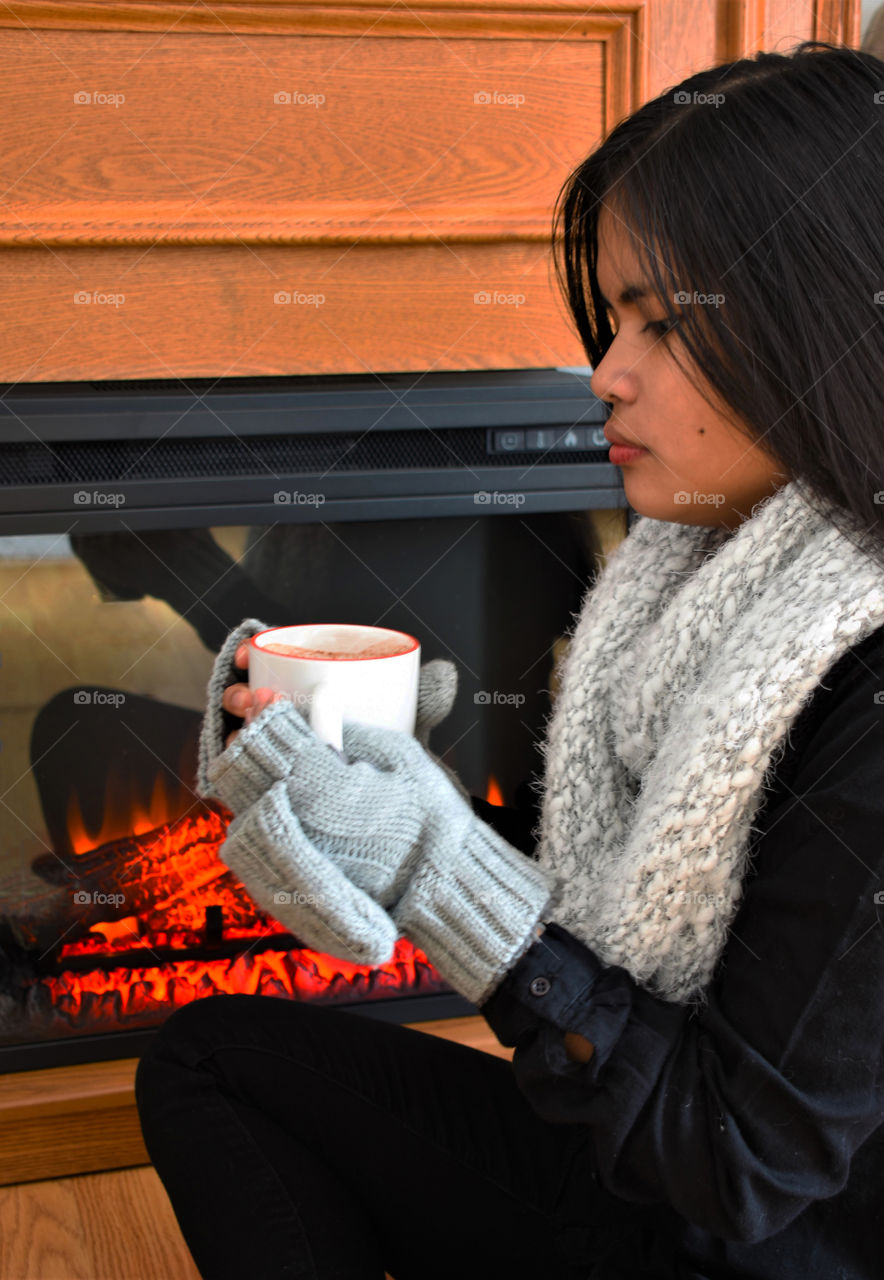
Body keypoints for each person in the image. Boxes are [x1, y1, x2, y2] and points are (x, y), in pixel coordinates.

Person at [133, 39, 884, 1280]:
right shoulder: (688, 593)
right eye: (612, 316)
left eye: (661, 319)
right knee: (211, 1059)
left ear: (819, 318)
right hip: (627, 1174)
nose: (605, 373)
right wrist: (386, 780)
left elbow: (735, 1160)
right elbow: (616, 921)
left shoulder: (858, 672)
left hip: (751, 1242)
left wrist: (438, 862)